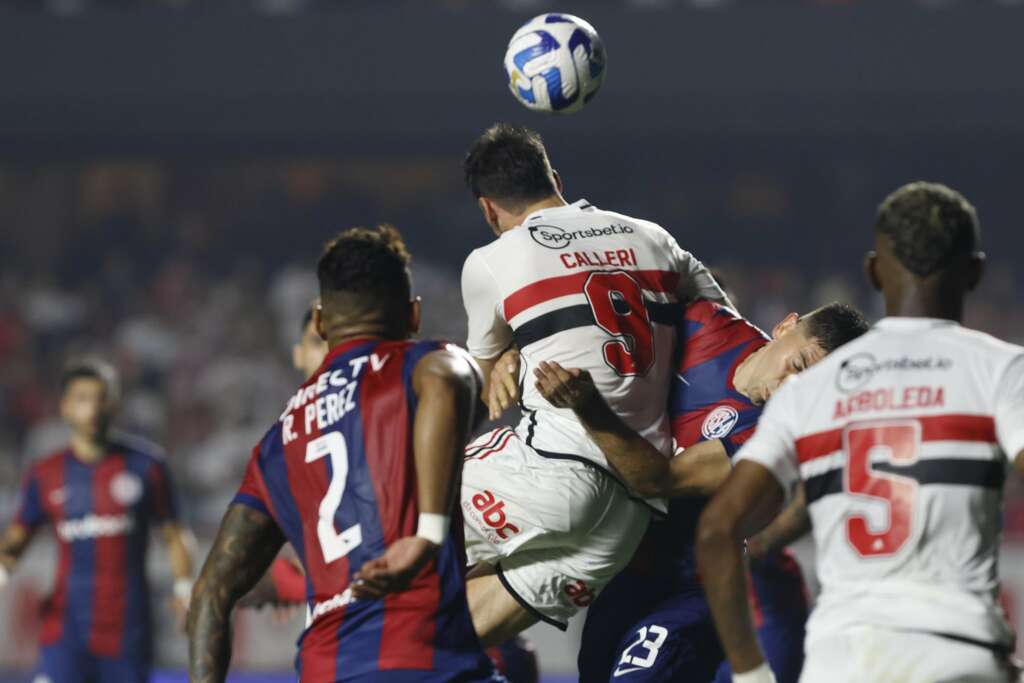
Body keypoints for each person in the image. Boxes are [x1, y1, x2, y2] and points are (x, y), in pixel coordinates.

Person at [697, 181, 1024, 683]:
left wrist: (751, 673)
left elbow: (718, 531)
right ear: (975, 272)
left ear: (874, 271)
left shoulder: (811, 388)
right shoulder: (1001, 370)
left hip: (841, 660)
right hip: (958, 653)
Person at [188, 225, 502, 682]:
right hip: (427, 663)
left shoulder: (278, 441)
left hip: (327, 668)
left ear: (319, 322)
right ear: (413, 316)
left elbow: (210, 594)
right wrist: (428, 532)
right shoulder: (418, 364)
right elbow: (447, 379)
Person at [458, 122, 730, 644]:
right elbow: (722, 320)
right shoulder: (655, 237)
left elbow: (471, 378)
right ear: (555, 179)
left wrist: (506, 355)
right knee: (454, 634)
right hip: (630, 511)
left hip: (550, 473)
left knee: (391, 520)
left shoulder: (490, 261)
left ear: (488, 209)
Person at [521, 299, 868, 681]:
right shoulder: (704, 324)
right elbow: (602, 313)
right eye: (798, 365)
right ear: (785, 326)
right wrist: (507, 352)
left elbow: (657, 480)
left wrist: (589, 407)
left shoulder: (773, 434)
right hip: (624, 576)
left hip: (691, 590)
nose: (791, 389)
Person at [0, 358, 194, 683]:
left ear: (115, 405)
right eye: (82, 399)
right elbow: (18, 538)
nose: (92, 409)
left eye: (101, 398)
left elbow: (174, 534)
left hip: (128, 633)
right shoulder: (45, 473)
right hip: (64, 631)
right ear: (64, 407)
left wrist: (184, 586)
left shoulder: (147, 466)